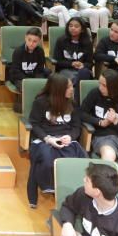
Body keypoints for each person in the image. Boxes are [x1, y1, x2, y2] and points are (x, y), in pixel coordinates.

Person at [26, 73, 86, 207]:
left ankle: (73, 193)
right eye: (68, 87)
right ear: (58, 90)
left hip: (66, 140)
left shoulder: (72, 103)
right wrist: (48, 139)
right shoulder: (41, 102)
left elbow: (76, 126)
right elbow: (34, 124)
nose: (72, 90)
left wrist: (70, 136)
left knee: (78, 160)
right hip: (45, 139)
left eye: (72, 86)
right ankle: (49, 186)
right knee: (47, 158)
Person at [52, 17, 94, 86]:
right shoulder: (61, 41)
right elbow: (57, 61)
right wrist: (71, 64)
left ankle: (75, 86)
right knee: (71, 78)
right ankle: (76, 87)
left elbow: (90, 63)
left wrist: (83, 65)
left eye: (76, 26)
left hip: (82, 71)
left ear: (82, 29)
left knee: (84, 73)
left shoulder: (87, 43)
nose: (73, 28)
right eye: (70, 26)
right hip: (65, 70)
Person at [7, 27, 50, 96]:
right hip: (20, 78)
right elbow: (15, 71)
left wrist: (35, 80)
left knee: (44, 86)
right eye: (29, 40)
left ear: (39, 41)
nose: (31, 43)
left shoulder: (40, 52)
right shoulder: (18, 51)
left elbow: (40, 69)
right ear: (25, 38)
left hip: (34, 77)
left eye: (34, 41)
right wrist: (28, 81)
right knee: (26, 88)